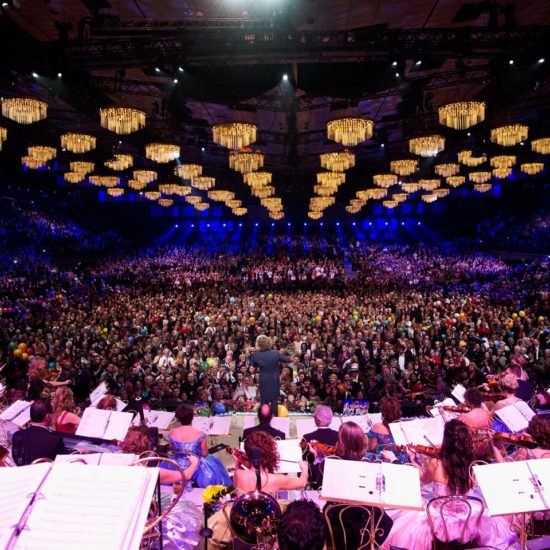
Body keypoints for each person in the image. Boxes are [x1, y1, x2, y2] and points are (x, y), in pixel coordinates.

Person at [384, 419, 515, 550]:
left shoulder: (436, 463)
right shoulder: (471, 466)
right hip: (467, 519)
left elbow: (423, 479)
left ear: (446, 441)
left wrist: (413, 460)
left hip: (439, 519)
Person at [121, 426, 202, 550]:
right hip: (141, 516)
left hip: (124, 510)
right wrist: (194, 462)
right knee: (186, 513)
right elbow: (186, 475)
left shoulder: (117, 462)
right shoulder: (149, 471)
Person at [324, 422, 394, 549]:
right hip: (363, 521)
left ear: (340, 441)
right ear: (362, 441)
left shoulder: (331, 463)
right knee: (385, 520)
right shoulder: (369, 465)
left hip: (337, 519)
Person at [166, 404, 231, 487]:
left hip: (177, 466)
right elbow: (204, 454)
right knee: (214, 462)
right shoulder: (200, 433)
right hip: (196, 466)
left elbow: (172, 450)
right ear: (192, 417)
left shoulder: (172, 432)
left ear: (178, 418)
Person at [233, 431, 309, 493]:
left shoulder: (238, 474)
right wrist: (305, 469)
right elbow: (302, 483)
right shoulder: (277, 479)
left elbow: (250, 470)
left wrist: (238, 461)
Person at [12, 399, 68, 465]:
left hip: (24, 473)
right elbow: (65, 462)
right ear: (48, 417)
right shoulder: (55, 439)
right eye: (54, 412)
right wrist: (78, 451)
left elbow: (18, 459)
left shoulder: (17, 435)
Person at [249, 335, 290, 417]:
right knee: (274, 400)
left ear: (259, 344)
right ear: (269, 343)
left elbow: (253, 365)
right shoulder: (275, 353)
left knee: (264, 400)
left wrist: (252, 354)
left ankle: (264, 420)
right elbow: (287, 359)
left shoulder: (256, 355)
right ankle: (275, 419)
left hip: (263, 380)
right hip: (274, 381)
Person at [302, 405, 338, 489]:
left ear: (317, 420)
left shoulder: (307, 437)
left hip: (315, 476)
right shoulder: (339, 435)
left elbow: (305, 459)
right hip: (335, 473)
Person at [367, 396, 407, 462]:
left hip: (382, 460)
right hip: (401, 460)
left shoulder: (377, 426)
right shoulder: (404, 426)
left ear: (383, 411)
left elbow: (372, 448)